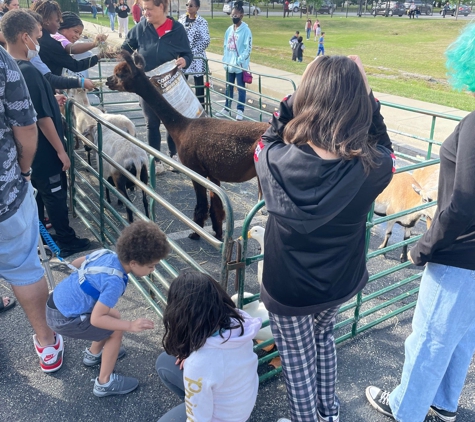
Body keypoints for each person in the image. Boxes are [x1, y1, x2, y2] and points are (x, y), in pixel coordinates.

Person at [254, 55, 394, 422]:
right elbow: (387, 147)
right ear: (358, 105)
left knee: (298, 361)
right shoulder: (373, 166)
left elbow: (266, 137)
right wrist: (370, 98)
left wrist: (296, 93)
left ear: (307, 98)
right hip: (340, 280)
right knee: (324, 340)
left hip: (288, 286)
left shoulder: (273, 160)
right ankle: (328, 414)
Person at [366, 22, 475, 422]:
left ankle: (404, 408)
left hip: (458, 252)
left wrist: (424, 245)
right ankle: (444, 403)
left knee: (429, 338)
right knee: (461, 337)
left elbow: (463, 202)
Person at [0, 11, 64, 373]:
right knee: (24, 268)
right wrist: (23, 172)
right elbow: (28, 125)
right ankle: (47, 341)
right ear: (26, 36)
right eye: (38, 32)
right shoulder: (8, 66)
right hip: (5, 192)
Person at [2, 9, 92, 258]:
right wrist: (62, 151)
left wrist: (52, 98)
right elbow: (40, 119)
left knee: (40, 194)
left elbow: (31, 104)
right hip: (43, 150)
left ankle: (41, 235)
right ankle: (66, 240)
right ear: (24, 37)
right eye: (37, 35)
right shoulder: (28, 71)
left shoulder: (12, 67)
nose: (39, 41)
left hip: (28, 152)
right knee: (54, 193)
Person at [46, 220, 170, 396]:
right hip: (64, 318)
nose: (153, 270)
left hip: (56, 303)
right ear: (134, 262)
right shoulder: (115, 282)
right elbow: (97, 319)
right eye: (151, 266)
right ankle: (104, 383)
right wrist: (130, 325)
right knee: (115, 332)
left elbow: (76, 262)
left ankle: (93, 354)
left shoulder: (105, 254)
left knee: (114, 315)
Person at [156, 272, 261, 421]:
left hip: (223, 418)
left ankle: (193, 403)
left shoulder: (198, 364)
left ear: (179, 315)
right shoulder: (237, 323)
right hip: (241, 403)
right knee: (165, 361)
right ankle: (194, 401)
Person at [121, 0, 193, 174]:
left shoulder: (177, 29)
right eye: (144, 9)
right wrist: (129, 63)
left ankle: (174, 155)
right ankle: (155, 160)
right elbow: (126, 46)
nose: (145, 13)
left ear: (161, 7)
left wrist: (185, 60)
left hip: (170, 84)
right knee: (151, 123)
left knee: (173, 120)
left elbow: (187, 53)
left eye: (149, 9)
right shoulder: (141, 28)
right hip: (148, 85)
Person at [26, 11, 96, 92]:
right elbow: (73, 53)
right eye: (76, 32)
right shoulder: (56, 39)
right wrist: (96, 46)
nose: (78, 36)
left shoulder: (35, 55)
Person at [32, 0, 102, 78]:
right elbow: (75, 65)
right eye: (57, 21)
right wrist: (99, 55)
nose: (59, 25)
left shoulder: (35, 39)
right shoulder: (50, 43)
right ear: (46, 21)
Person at [217, 1, 252, 121]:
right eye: (232, 15)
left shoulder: (246, 30)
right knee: (228, 87)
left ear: (241, 16)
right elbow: (225, 44)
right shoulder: (229, 30)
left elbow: (248, 49)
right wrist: (225, 59)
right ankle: (227, 107)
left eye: (236, 15)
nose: (233, 17)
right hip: (229, 64)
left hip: (239, 65)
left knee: (241, 88)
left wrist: (239, 60)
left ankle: (240, 110)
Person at [52, 11, 108, 79]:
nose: (78, 36)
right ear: (63, 27)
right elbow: (72, 49)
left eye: (79, 34)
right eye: (76, 31)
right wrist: (95, 43)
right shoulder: (57, 37)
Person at [178, 0, 210, 106]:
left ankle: (201, 109)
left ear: (197, 7)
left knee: (199, 84)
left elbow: (206, 40)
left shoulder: (202, 22)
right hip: (183, 57)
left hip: (197, 59)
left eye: (191, 5)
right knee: (183, 83)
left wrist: (193, 52)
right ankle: (184, 107)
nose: (188, 7)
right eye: (187, 5)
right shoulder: (181, 19)